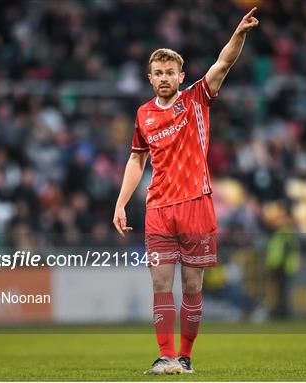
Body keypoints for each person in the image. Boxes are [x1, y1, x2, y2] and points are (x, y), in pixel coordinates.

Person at [113, 7, 259, 375]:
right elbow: (136, 161)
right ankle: (165, 357)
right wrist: (121, 203)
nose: (164, 78)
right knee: (161, 283)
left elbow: (223, 64)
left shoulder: (196, 98)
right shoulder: (143, 114)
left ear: (181, 75)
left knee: (192, 287)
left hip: (196, 204)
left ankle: (186, 357)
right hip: (159, 208)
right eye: (158, 73)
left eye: (170, 73)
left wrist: (238, 34)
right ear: (150, 78)